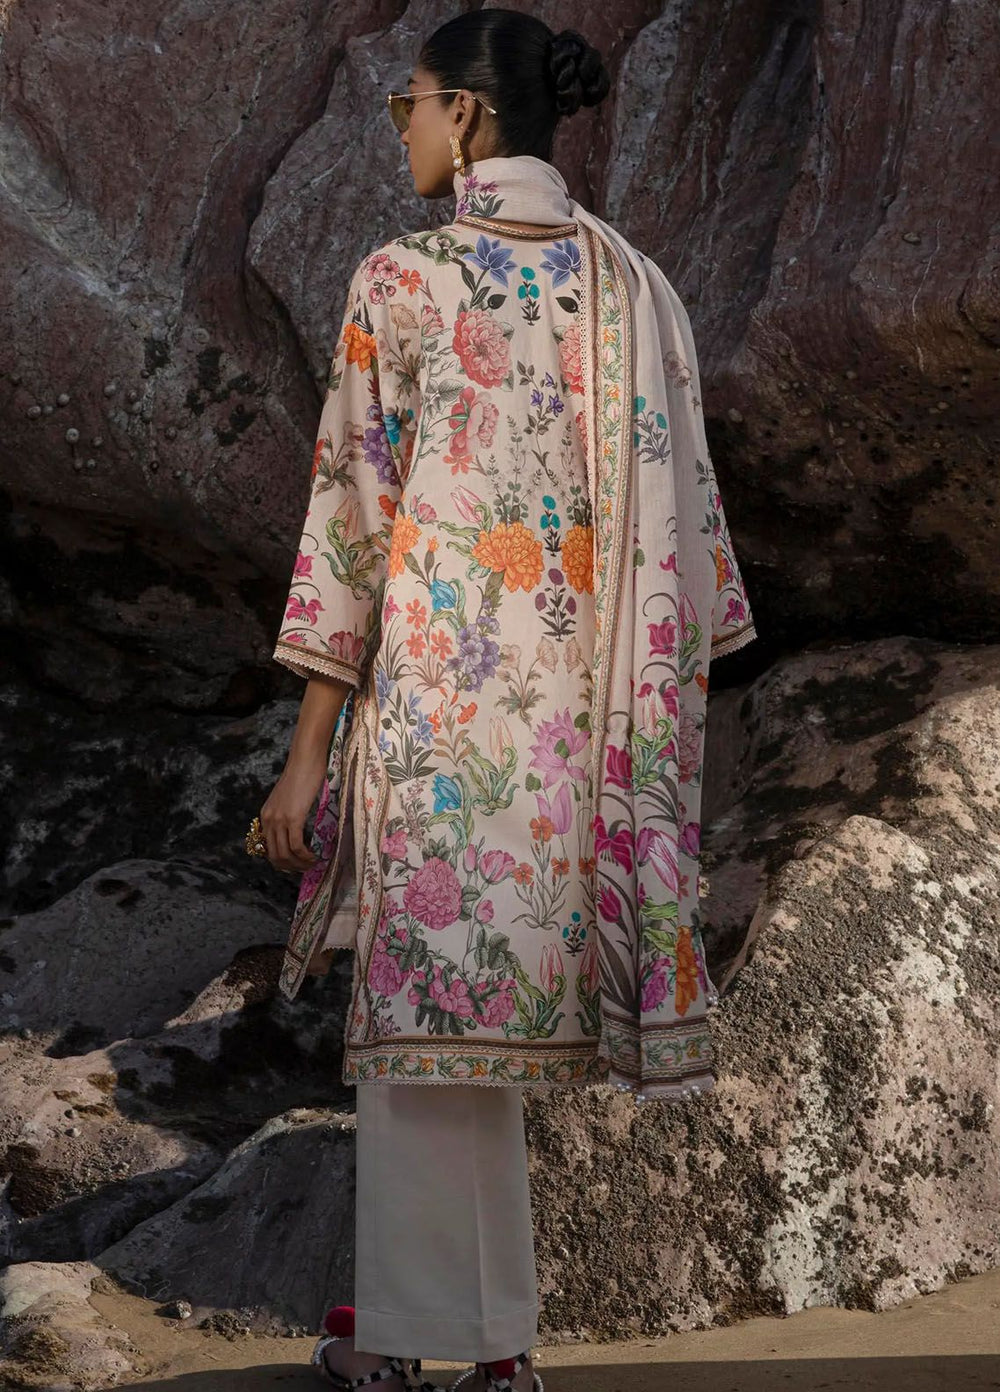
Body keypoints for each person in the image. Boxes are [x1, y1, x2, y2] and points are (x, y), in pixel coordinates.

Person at [252, 10, 756, 1392]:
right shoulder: (642, 290)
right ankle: (494, 1349)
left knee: (423, 1044)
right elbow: (697, 558)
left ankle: (403, 1347)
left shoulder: (403, 280)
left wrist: (306, 758)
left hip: (446, 725)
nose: (402, 128)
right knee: (471, 1054)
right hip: (587, 743)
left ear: (467, 116)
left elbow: (352, 532)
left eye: (409, 103)